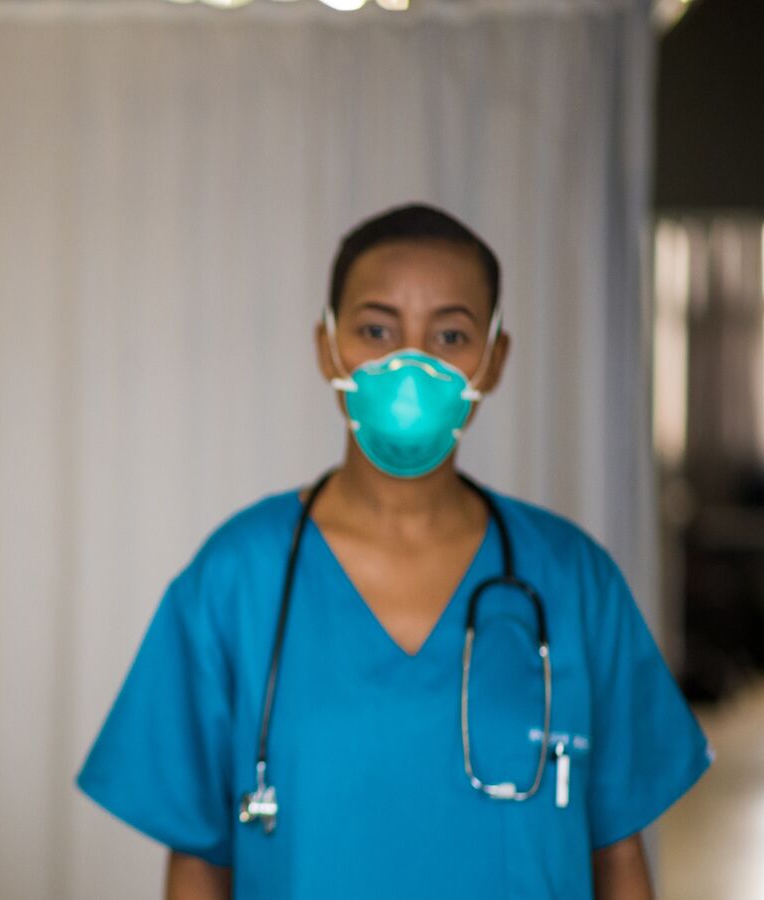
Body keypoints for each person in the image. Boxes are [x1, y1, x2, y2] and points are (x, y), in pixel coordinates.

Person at [77, 205, 709, 899]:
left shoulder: (573, 579)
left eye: (451, 334)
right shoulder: (236, 580)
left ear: (495, 360)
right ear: (327, 346)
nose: (411, 367)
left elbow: (618, 856)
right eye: (376, 330)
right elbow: (198, 861)